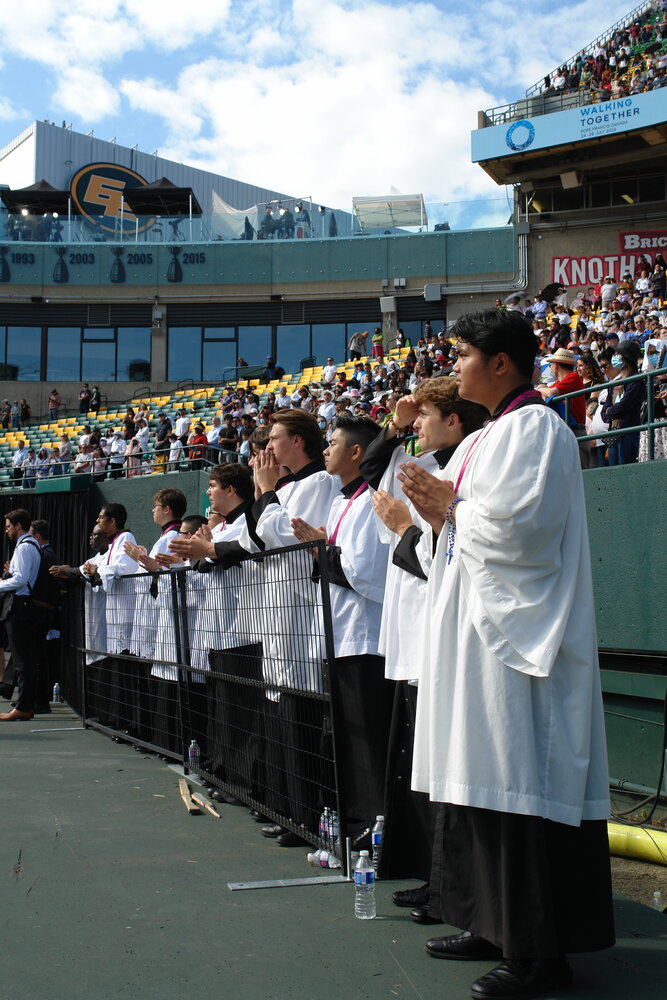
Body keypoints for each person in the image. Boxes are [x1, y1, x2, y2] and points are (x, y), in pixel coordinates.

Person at [398, 309, 614, 1000]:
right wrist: (434, 517)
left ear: (499, 363)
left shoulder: (536, 427)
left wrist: (450, 509)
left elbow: (522, 532)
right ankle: (485, 922)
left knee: (510, 778)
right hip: (470, 635)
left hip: (512, 645)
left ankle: (536, 951)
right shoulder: (479, 440)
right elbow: (454, 535)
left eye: (461, 354)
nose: (451, 366)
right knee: (469, 780)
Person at [292, 413, 394, 833]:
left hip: (362, 637)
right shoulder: (340, 501)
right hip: (336, 633)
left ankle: (371, 826)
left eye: (333, 443)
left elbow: (368, 573)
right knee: (342, 738)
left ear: (357, 452)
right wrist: (321, 551)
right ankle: (348, 819)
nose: (326, 449)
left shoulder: (372, 500)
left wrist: (321, 552)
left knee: (366, 741)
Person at [0, 509, 43, 721]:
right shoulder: (26, 546)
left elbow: (20, 580)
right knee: (21, 659)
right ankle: (23, 704)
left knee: (23, 660)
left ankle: (24, 706)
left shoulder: (25, 548)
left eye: (8, 526)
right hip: (21, 604)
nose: (6, 530)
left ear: (18, 526)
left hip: (21, 605)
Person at [601, 341, 645, 466]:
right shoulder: (615, 382)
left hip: (628, 433)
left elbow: (624, 406)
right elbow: (605, 410)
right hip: (613, 432)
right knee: (614, 472)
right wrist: (608, 413)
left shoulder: (636, 381)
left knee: (627, 470)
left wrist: (610, 411)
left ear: (625, 358)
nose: (614, 357)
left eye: (617, 354)